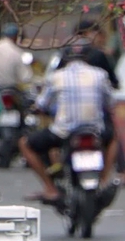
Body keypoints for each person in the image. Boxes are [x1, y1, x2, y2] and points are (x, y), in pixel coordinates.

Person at [21, 40, 116, 204]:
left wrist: (36, 109)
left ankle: (50, 189)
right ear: (87, 56)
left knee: (25, 144)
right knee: (113, 138)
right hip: (94, 130)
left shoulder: (55, 77)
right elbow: (110, 102)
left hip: (63, 132)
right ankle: (104, 180)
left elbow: (42, 104)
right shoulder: (100, 75)